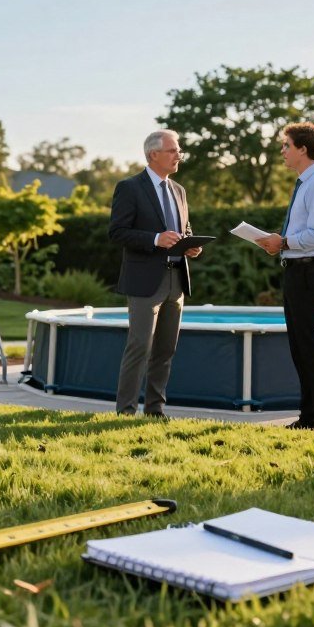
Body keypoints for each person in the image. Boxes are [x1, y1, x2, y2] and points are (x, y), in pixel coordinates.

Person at [109, 129, 202, 418]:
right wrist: (154, 239)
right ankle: (125, 411)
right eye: (173, 150)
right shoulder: (130, 187)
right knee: (140, 347)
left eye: (178, 151)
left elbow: (183, 230)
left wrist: (190, 245)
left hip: (177, 278)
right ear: (153, 154)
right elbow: (117, 232)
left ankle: (155, 409)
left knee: (165, 349)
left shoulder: (180, 190)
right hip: (145, 281)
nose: (179, 156)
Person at [256, 122, 314, 430]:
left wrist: (285, 242)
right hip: (297, 269)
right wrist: (281, 243)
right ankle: (309, 417)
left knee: (312, 347)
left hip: (310, 271)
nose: (282, 151)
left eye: (286, 145)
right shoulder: (307, 183)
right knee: (301, 347)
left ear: (302, 149)